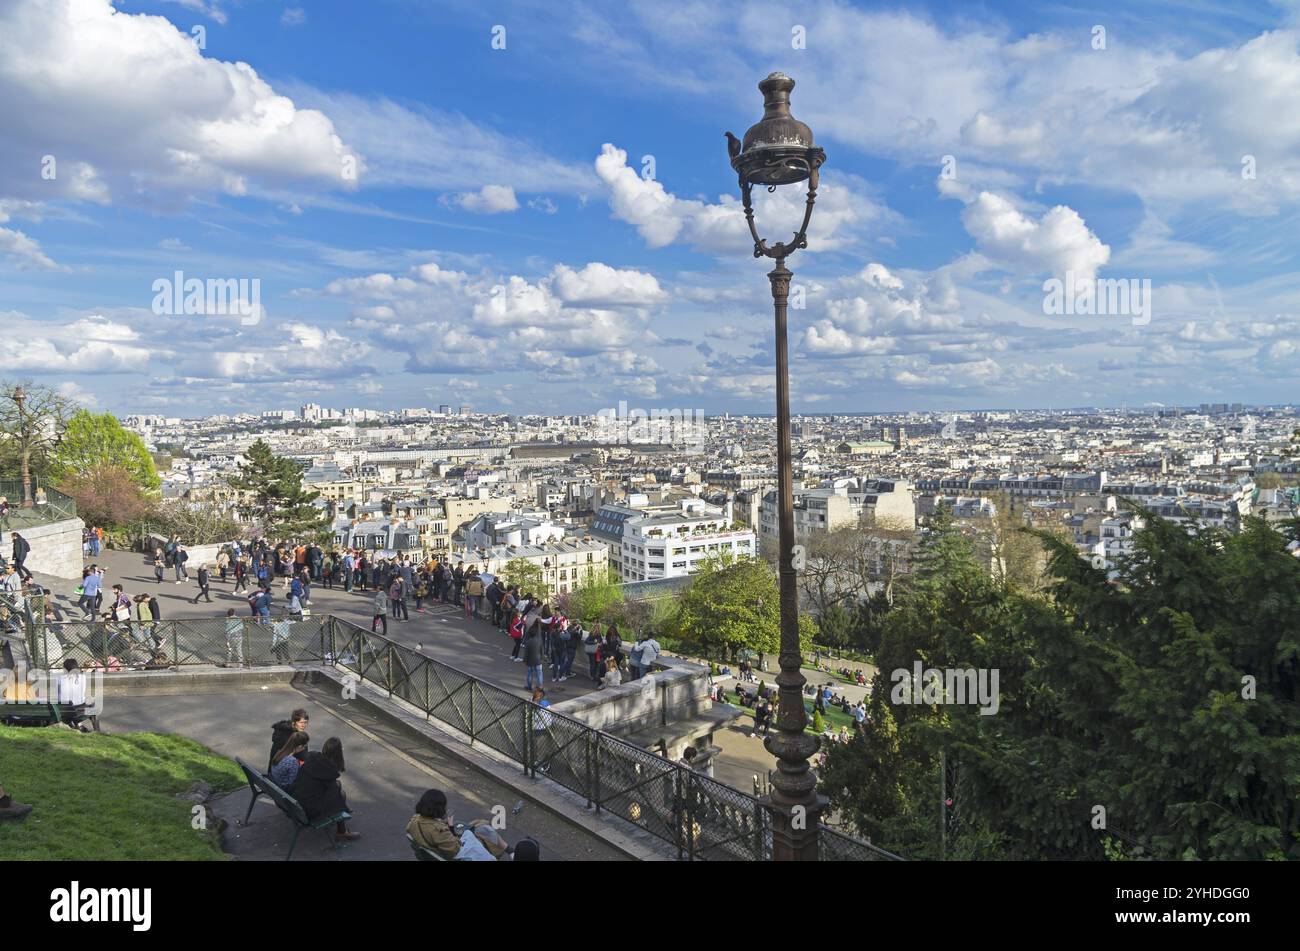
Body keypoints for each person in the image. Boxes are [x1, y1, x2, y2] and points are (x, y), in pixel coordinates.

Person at [289, 737, 358, 841]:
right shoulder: (329, 770)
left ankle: (344, 814)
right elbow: (335, 798)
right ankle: (341, 831)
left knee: (337, 786)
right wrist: (341, 806)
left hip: (297, 799)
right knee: (341, 794)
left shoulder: (312, 757)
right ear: (339, 754)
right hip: (309, 810)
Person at [405, 789, 461, 859]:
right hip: (451, 856)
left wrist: (438, 822)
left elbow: (424, 827)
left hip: (430, 854)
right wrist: (451, 827)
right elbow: (456, 850)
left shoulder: (414, 820)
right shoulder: (440, 831)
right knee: (469, 832)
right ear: (440, 808)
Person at [523, 621, 544, 691]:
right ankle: (540, 687)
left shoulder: (528, 642)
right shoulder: (539, 641)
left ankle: (529, 686)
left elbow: (526, 653)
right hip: (538, 660)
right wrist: (542, 658)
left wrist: (525, 660)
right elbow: (542, 651)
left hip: (530, 660)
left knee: (530, 674)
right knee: (539, 674)